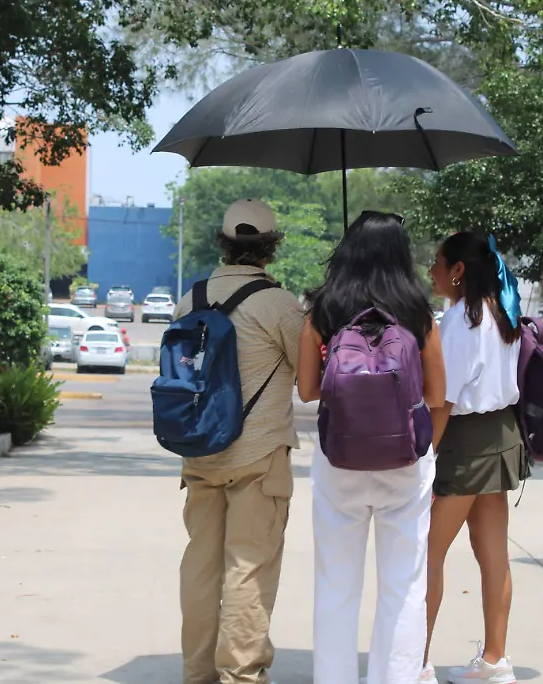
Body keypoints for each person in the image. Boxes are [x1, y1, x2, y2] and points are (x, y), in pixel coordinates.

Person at [296, 211, 445, 684]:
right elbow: (438, 396)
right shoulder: (419, 314)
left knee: (335, 582)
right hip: (404, 461)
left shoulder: (324, 310)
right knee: (404, 585)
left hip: (339, 456)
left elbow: (306, 389)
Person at [173, 199, 305, 684]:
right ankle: (241, 675)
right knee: (248, 568)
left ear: (223, 244)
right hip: (259, 456)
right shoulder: (279, 304)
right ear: (271, 246)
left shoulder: (192, 298)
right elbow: (310, 378)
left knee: (202, 567)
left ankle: (198, 673)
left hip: (200, 450)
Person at [423, 231, 527, 684]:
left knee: (426, 552)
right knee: (493, 555)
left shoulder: (460, 321)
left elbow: (443, 400)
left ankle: (414, 661)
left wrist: (424, 455)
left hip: (463, 440)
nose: (432, 270)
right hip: (502, 433)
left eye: (438, 262)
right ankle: (495, 660)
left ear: (458, 270)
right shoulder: (502, 312)